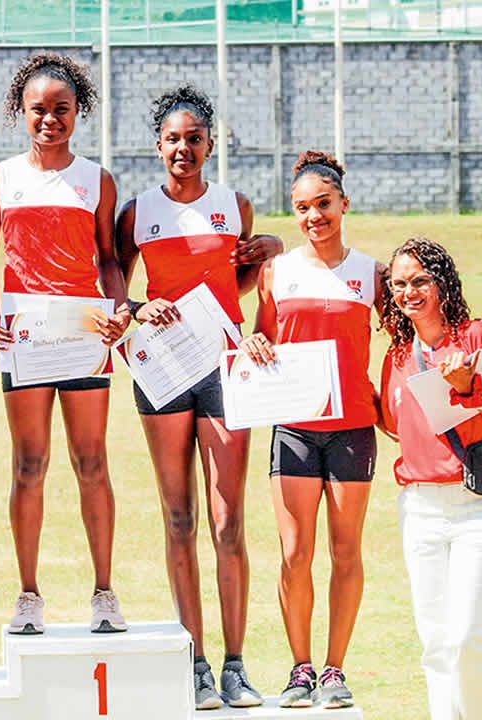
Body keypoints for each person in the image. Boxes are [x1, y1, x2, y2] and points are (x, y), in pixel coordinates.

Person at [115, 84, 282, 710]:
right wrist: (138, 306)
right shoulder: (137, 212)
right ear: (157, 146)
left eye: (195, 138)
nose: (183, 148)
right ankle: (196, 664)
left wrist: (269, 255)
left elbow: (243, 274)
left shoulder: (233, 204)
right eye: (173, 139)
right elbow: (113, 276)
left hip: (221, 365)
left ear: (211, 144)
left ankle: (236, 665)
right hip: (161, 369)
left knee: (228, 519)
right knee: (179, 516)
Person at [0, 52, 132, 636]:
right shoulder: (0, 178)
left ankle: (105, 594)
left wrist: (118, 311)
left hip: (83, 335)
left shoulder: (97, 180)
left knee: (91, 461)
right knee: (29, 465)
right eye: (38, 109)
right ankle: (29, 595)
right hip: (26, 339)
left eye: (61, 109)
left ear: (77, 111)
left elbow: (110, 259)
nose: (49, 119)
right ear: (22, 110)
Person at [239, 151, 384, 709]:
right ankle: (299, 669)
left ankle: (334, 670)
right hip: (294, 430)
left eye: (323, 204)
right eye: (302, 208)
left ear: (344, 204)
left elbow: (400, 342)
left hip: (353, 430)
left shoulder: (371, 273)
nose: (313, 216)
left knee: (346, 552)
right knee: (295, 553)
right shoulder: (277, 270)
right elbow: (263, 336)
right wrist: (255, 342)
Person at [378, 237, 482, 720]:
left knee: (468, 638)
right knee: (436, 644)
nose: (409, 291)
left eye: (420, 280)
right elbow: (397, 426)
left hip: (480, 506)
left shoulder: (478, 337)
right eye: (399, 283)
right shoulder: (397, 355)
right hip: (419, 508)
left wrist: (470, 389)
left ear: (443, 282)